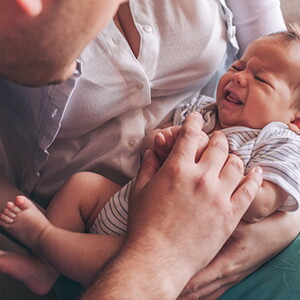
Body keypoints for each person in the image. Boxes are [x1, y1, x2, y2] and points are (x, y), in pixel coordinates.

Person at [0, 0, 299, 299]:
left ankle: (46, 240)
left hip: (192, 229)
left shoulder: (277, 140)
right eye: (238, 65)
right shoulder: (203, 111)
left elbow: (268, 199)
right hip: (127, 196)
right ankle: (45, 267)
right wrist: (165, 139)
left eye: (259, 79)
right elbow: (150, 143)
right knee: (82, 185)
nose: (238, 76)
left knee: (121, 254)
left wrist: (272, 229)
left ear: (295, 118)